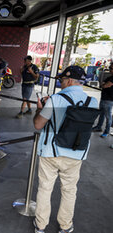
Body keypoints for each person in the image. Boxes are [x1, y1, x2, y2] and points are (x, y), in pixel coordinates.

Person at [33, 66, 98, 233]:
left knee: (45, 189)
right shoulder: (93, 102)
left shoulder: (55, 99)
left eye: (61, 80)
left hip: (51, 153)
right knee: (69, 191)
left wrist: (41, 108)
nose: (60, 83)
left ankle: (40, 226)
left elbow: (38, 124)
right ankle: (65, 225)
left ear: (69, 80)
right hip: (76, 153)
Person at [92, 62, 113, 137]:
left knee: (108, 117)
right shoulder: (109, 77)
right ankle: (98, 127)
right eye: (109, 68)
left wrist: (104, 84)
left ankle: (106, 131)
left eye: (111, 68)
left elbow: (106, 85)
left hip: (109, 100)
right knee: (101, 114)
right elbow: (102, 84)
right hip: (104, 98)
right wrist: (104, 84)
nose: (110, 70)